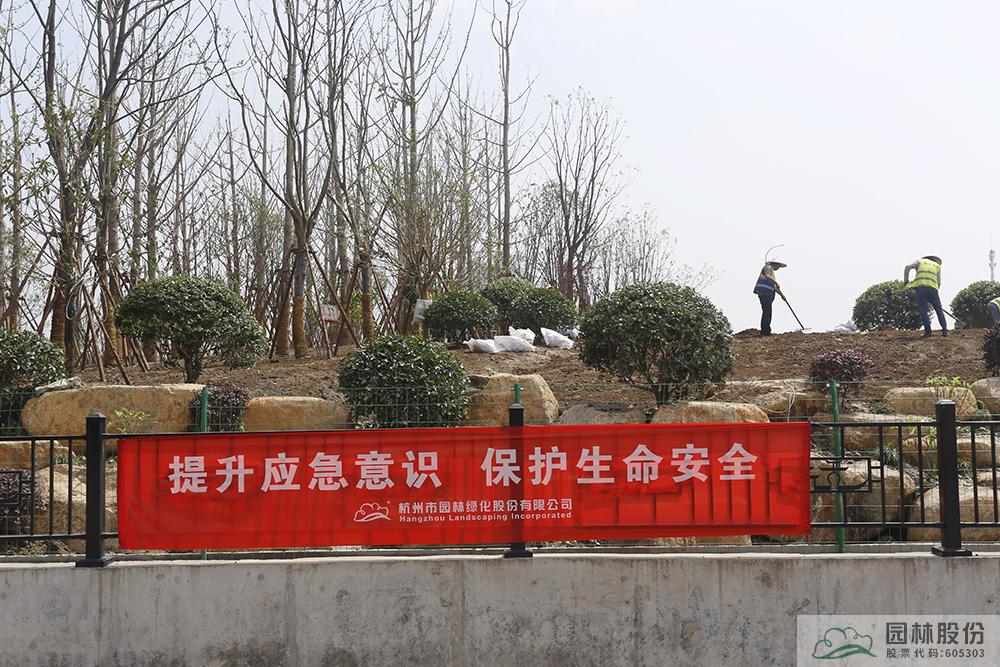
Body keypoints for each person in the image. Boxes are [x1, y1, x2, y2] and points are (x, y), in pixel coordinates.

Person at [904, 255, 947, 337]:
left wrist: (906, 281)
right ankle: (945, 331)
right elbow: (938, 282)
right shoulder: (937, 266)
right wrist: (934, 292)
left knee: (924, 310)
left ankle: (928, 332)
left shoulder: (920, 261)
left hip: (921, 288)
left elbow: (907, 266)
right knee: (939, 309)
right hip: (933, 289)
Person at [753, 258, 786, 336]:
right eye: (778, 265)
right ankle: (765, 332)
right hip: (764, 293)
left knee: (767, 312)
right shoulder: (768, 268)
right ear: (775, 264)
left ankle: (766, 331)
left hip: (768, 294)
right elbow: (767, 276)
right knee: (767, 312)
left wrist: (782, 295)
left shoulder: (772, 274)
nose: (778, 268)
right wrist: (776, 282)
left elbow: (774, 287)